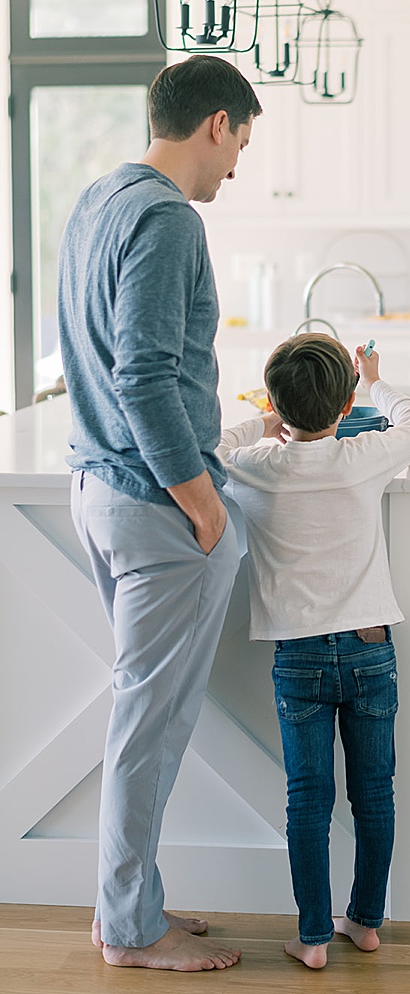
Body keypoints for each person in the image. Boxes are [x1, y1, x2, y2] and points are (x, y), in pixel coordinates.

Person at [58, 54, 262, 971]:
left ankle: (130, 905)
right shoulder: (170, 219)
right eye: (241, 145)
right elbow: (142, 374)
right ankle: (132, 927)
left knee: (143, 716)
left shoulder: (98, 198)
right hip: (155, 505)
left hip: (99, 490)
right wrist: (204, 504)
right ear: (215, 123)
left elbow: (98, 358)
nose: (237, 168)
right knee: (150, 725)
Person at [217, 334, 410, 971]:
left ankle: (313, 936)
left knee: (307, 799)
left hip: (300, 658)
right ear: (343, 404)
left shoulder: (258, 464)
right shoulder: (361, 456)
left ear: (276, 401)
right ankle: (365, 921)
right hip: (371, 650)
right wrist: (374, 381)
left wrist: (265, 420)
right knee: (374, 794)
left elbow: (208, 448)